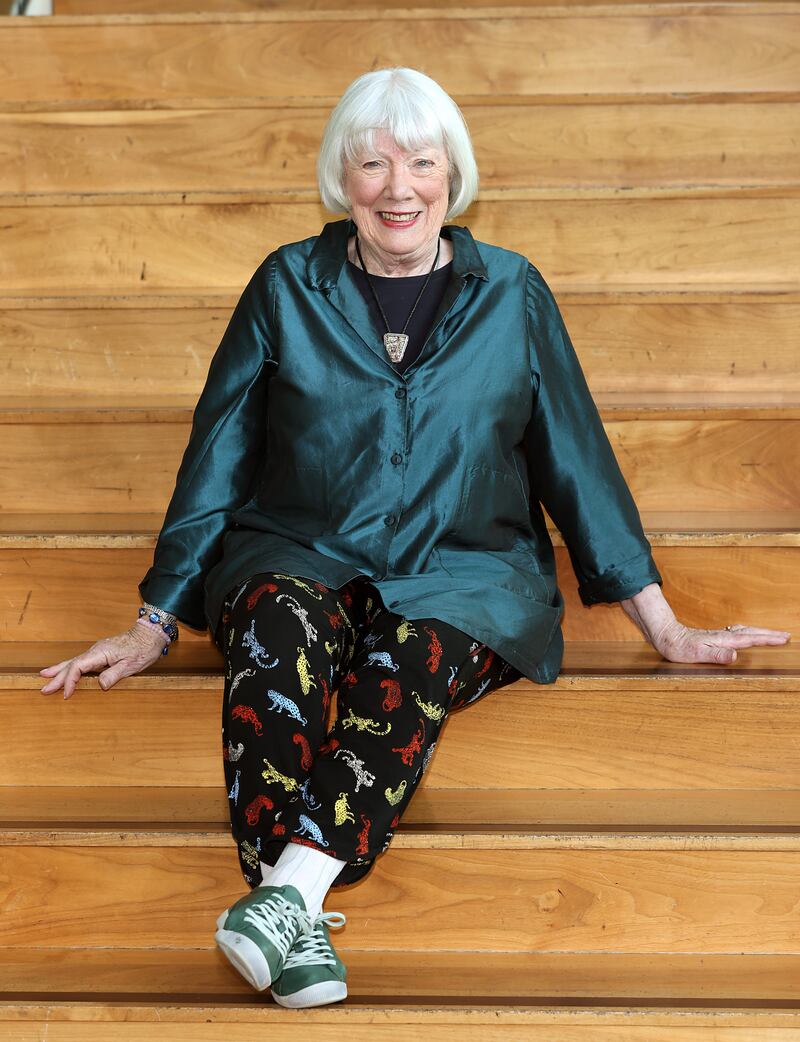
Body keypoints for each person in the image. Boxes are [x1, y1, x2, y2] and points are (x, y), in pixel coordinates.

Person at [39, 67, 791, 1008]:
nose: (399, 187)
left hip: (466, 571)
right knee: (274, 631)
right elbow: (219, 455)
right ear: (341, 179)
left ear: (453, 174)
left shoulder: (513, 294)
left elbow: (577, 462)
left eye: (422, 163)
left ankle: (286, 896)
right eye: (373, 163)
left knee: (410, 656)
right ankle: (294, 916)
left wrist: (663, 625)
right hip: (303, 550)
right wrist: (155, 621)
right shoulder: (285, 285)